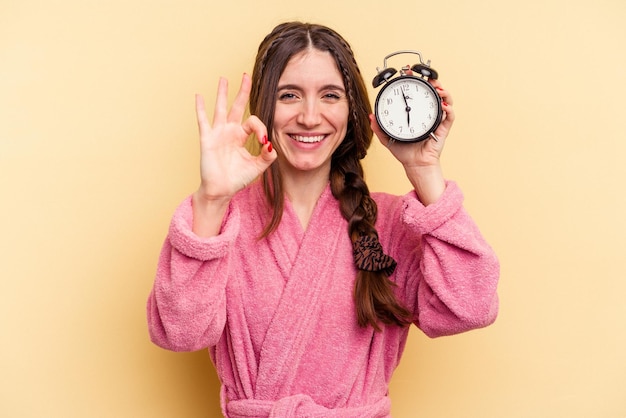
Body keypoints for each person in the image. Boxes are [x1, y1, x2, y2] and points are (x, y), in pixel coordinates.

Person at [147, 21, 499, 417]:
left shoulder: (388, 224)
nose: (310, 117)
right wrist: (211, 199)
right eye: (289, 95)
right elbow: (179, 333)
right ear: (263, 107)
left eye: (330, 95)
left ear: (353, 110)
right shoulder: (222, 220)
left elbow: (471, 307)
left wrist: (425, 172)